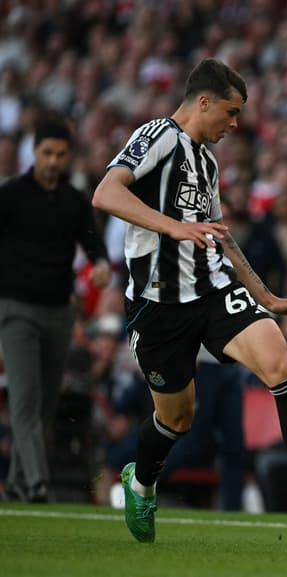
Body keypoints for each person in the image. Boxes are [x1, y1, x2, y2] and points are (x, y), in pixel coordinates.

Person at [92, 58, 287, 543]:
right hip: (158, 306)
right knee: (177, 419)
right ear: (203, 102)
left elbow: (221, 236)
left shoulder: (207, 162)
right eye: (232, 111)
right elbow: (105, 193)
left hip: (213, 291)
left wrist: (267, 296)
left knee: (281, 366)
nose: (236, 123)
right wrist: (174, 227)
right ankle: (141, 483)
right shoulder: (158, 135)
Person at [0, 117, 111, 502]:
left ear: (68, 156)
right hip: (16, 310)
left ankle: (18, 484)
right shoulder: (11, 195)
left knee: (45, 404)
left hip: (58, 313)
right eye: (47, 153)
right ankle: (37, 482)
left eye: (60, 154)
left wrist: (100, 264)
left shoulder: (74, 200)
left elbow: (94, 242)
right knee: (25, 398)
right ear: (34, 152)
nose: (52, 161)